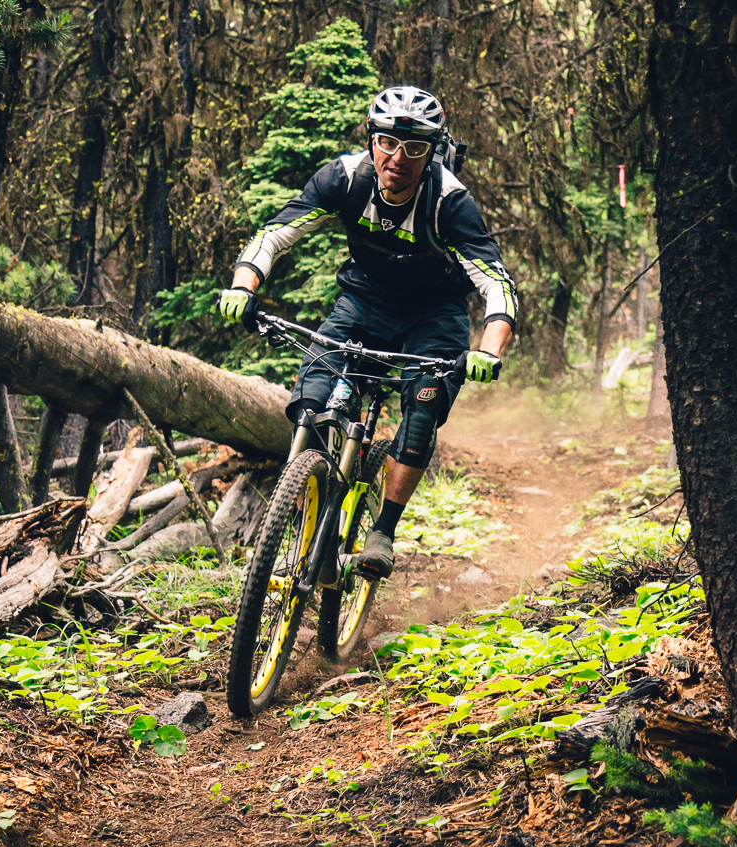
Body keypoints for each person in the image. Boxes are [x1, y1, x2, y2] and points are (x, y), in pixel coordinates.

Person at [216, 85, 517, 578]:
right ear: (372, 139)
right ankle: (307, 516)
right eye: (388, 143)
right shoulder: (345, 178)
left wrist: (487, 348)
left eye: (415, 148)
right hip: (364, 302)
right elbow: (276, 232)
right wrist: (242, 287)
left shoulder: (450, 202)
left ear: (432, 152)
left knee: (421, 411)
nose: (398, 158)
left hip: (434, 314)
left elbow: (496, 284)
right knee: (312, 398)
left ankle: (383, 530)